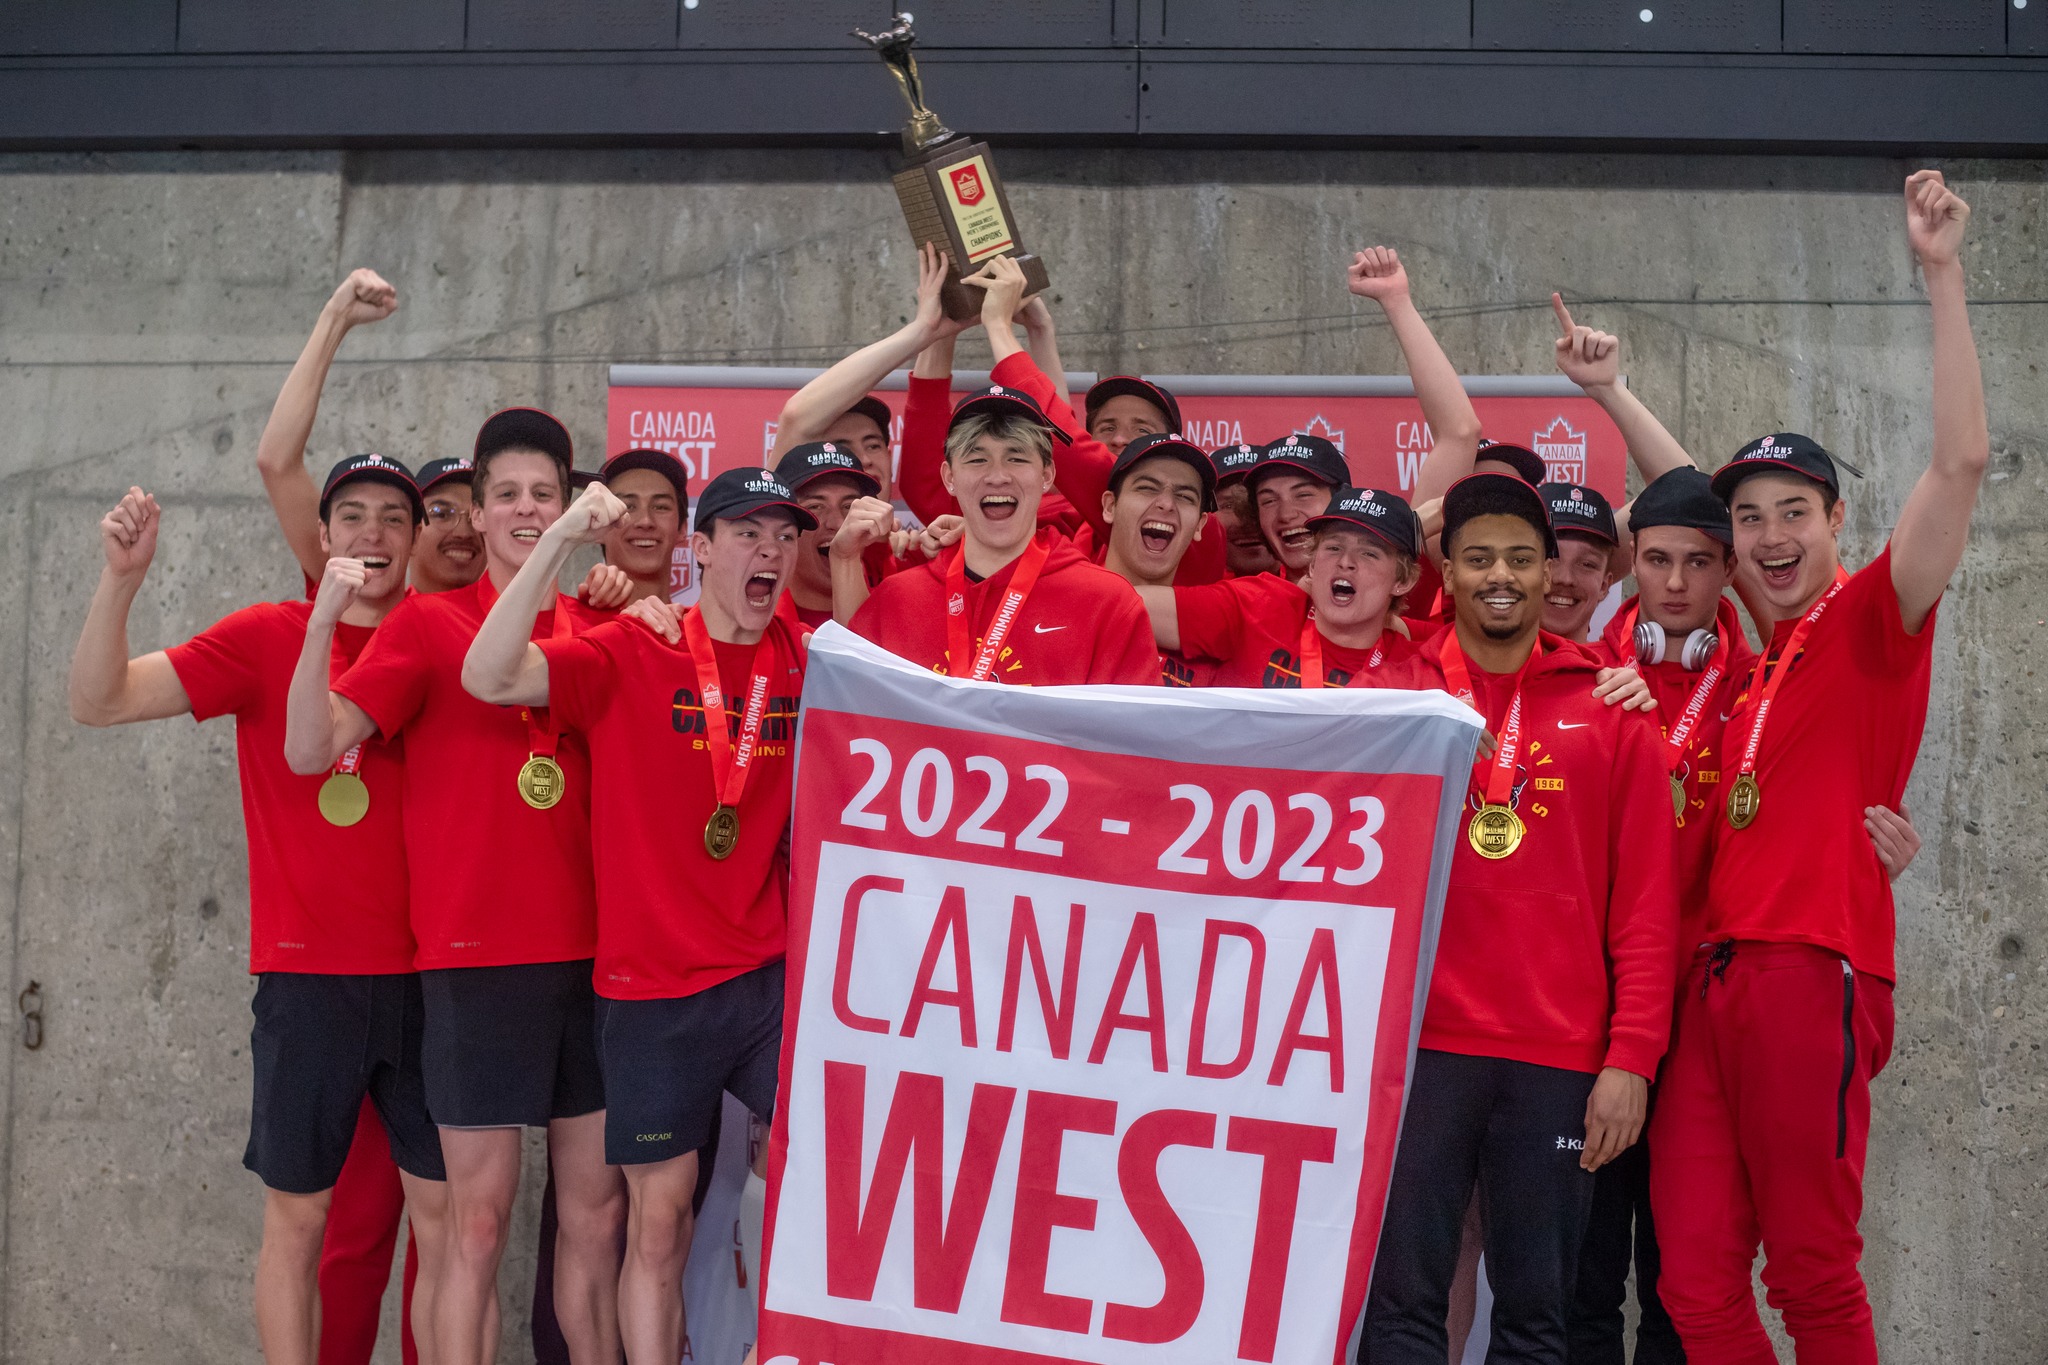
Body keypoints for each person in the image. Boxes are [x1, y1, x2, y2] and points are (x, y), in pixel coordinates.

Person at [1649, 171, 1987, 1365]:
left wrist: (1937, 275)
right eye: (1749, 519)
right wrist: (1615, 395)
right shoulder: (1750, 662)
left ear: (1835, 523)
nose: (1768, 534)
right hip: (1706, 985)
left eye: (1793, 510)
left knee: (1808, 1271)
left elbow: (1956, 468)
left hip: (1810, 966)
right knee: (1690, 1282)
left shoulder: (1868, 621)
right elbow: (1685, 492)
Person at [67, 467, 450, 1365]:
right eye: (352, 514)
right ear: (322, 538)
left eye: (397, 517)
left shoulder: (446, 642)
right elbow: (99, 699)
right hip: (308, 979)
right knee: (297, 1218)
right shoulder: (267, 637)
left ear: (417, 540)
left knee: (449, 1221)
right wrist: (121, 579)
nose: (375, 531)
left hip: (438, 979)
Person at [284, 408, 627, 1365]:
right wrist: (321, 622)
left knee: (595, 1225)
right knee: (475, 1230)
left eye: (544, 494)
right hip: (474, 967)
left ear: (569, 502)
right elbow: (310, 749)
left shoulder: (605, 622)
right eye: (507, 495)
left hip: (598, 965)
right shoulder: (428, 624)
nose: (526, 509)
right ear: (476, 513)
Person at [463, 468, 811, 1365]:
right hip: (653, 989)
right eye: (745, 532)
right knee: (657, 1222)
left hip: (770, 979)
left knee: (825, 1172)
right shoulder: (632, 649)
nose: (768, 550)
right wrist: (560, 540)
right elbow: (489, 673)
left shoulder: (808, 659)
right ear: (699, 549)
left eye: (784, 535)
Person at [1362, 471, 1678, 1365]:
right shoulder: (1394, 693)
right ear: (1447, 573)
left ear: (1553, 574)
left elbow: (1646, 910)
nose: (1500, 575)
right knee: (1400, 1308)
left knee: (1538, 1319)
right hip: (1416, 1050)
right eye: (1477, 557)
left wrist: (1632, 1059)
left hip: (1558, 1057)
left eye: (1520, 557)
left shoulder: (1614, 712)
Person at [842, 385, 1160, 686]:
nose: (997, 477)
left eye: (1017, 458)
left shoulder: (1108, 602)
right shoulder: (895, 600)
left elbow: (1140, 738)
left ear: (1047, 476)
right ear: (949, 477)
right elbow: (851, 720)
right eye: (977, 459)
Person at [1143, 484, 1421, 688]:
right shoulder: (1260, 606)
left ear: (1402, 580)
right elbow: (1123, 604)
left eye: (1369, 553)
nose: (1346, 562)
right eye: (1333, 547)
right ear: (1312, 565)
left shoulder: (1420, 669)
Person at [596, 447, 688, 604]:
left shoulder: (703, 627)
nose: (645, 521)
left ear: (682, 528)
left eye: (660, 507)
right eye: (628, 507)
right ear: (598, 528)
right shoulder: (570, 624)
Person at [1538, 482, 1624, 646]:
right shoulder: (1479, 668)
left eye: (1586, 564)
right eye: (1552, 557)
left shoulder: (1617, 669)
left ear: (1604, 586)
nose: (1565, 578)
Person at [1211, 443, 1280, 578]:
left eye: (1255, 503)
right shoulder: (1180, 587)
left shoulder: (1321, 587)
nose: (1245, 520)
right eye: (1229, 506)